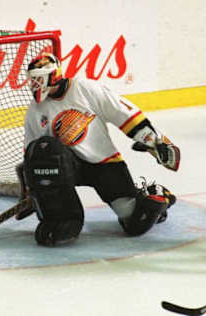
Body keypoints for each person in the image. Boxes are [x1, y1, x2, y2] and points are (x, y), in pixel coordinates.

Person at [15, 52, 180, 247]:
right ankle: (63, 219)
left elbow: (122, 112)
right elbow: (33, 155)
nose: (34, 84)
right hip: (69, 167)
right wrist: (32, 189)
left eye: (38, 79)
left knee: (136, 222)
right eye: (32, 79)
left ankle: (157, 193)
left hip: (104, 164)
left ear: (53, 76)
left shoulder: (84, 88)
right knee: (47, 150)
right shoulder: (35, 110)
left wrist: (155, 140)